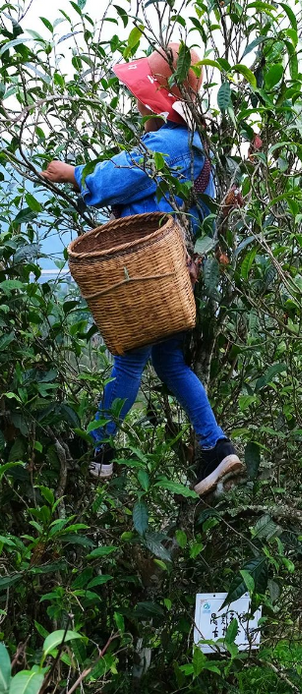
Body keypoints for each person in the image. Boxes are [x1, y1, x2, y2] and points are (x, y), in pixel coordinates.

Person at [40, 43, 243, 497]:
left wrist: (72, 172)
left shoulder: (166, 145)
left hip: (146, 274)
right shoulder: (199, 146)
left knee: (129, 357)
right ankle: (215, 446)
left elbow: (113, 177)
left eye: (142, 95)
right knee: (170, 361)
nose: (136, 102)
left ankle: (96, 452)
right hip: (176, 276)